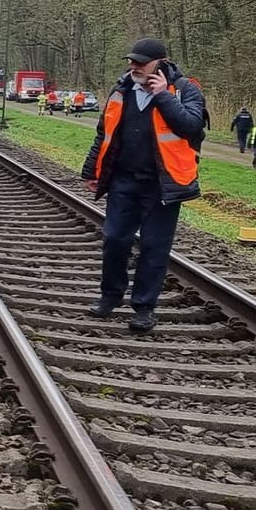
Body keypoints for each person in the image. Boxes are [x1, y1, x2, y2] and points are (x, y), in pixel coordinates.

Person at [80, 38, 207, 332]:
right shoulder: (120, 90)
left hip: (164, 184)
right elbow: (104, 134)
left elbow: (191, 126)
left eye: (140, 62)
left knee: (154, 247)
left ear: (160, 64)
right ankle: (109, 296)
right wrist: (91, 170)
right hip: (123, 179)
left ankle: (144, 308)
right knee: (114, 239)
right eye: (131, 61)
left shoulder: (185, 90)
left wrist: (163, 96)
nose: (133, 66)